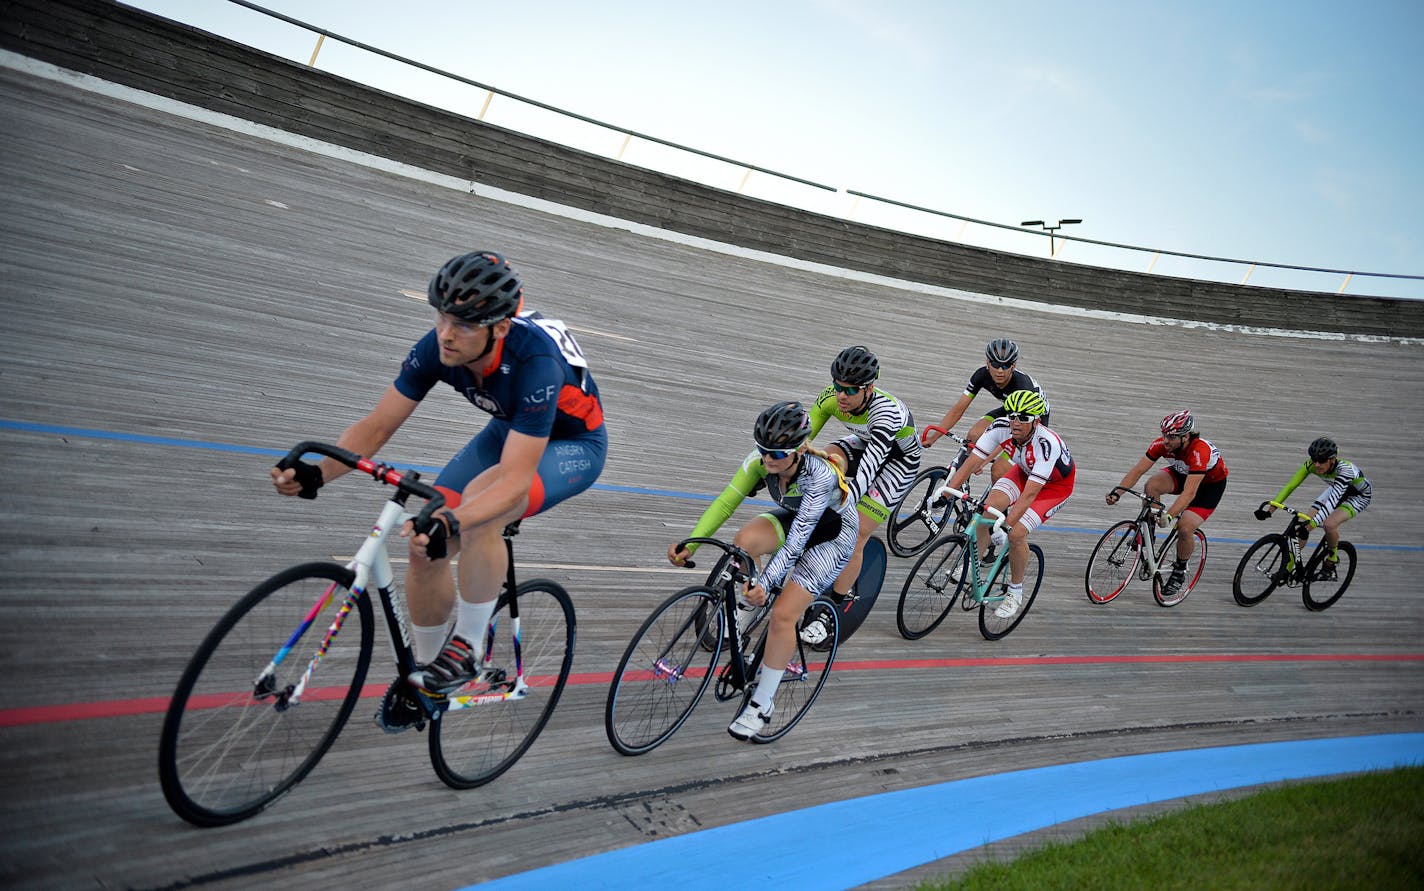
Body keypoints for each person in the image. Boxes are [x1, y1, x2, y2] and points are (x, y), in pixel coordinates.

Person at [271, 250, 607, 731]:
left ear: (500, 329)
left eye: (465, 325)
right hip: (509, 429)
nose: (447, 333)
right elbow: (378, 424)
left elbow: (513, 481)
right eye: (443, 317)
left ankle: (467, 650)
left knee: (483, 509)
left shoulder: (534, 364)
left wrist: (456, 518)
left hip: (573, 444)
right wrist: (317, 474)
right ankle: (425, 678)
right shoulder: (437, 348)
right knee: (423, 543)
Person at [667, 401, 858, 741]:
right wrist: (691, 544)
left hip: (832, 534)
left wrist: (767, 585)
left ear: (799, 449)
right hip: (800, 521)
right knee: (745, 540)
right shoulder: (761, 462)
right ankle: (741, 614)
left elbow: (799, 541)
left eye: (778, 453)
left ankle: (761, 704)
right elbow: (727, 502)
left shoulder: (820, 476)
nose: (769, 460)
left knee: (782, 616)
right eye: (764, 451)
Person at [797, 345, 921, 645]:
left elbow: (870, 468)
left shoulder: (886, 412)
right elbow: (803, 441)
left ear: (869, 389)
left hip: (897, 462)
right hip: (863, 442)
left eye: (850, 390)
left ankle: (833, 609)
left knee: (854, 534)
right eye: (838, 386)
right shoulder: (831, 398)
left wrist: (845, 500)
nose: (841, 395)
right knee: (822, 458)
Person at [941, 388, 1074, 618]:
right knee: (985, 511)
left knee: (1016, 533)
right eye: (1012, 415)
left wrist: (1007, 524)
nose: (1016, 422)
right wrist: (946, 492)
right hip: (1023, 473)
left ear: (1036, 421)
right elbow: (972, 462)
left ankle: (1015, 590)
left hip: (1053, 488)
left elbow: (1030, 496)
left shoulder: (1045, 444)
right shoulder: (1000, 427)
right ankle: (973, 565)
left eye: (1023, 418)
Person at [1105, 410, 1226, 600]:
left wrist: (1169, 515)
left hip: (1207, 487)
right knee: (1151, 485)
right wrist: (1117, 492)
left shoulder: (1199, 451)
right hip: (1182, 473)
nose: (1165, 440)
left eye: (1171, 437)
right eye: (1164, 435)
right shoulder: (1161, 445)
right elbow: (1138, 470)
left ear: (1186, 437)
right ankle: (1148, 533)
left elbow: (1189, 493)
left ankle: (1180, 569)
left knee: (1185, 527)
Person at [921, 337, 1050, 481]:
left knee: (998, 470)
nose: (1000, 370)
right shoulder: (981, 375)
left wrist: (984, 461)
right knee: (974, 434)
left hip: (1029, 419)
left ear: (1014, 365)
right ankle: (959, 482)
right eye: (995, 364)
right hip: (1011, 409)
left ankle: (998, 501)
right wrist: (934, 437)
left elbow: (1012, 433)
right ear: (987, 363)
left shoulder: (1022, 386)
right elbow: (958, 409)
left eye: (1006, 365)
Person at [1261, 437, 1371, 564]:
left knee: (1329, 524)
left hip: (1358, 496)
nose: (1317, 464)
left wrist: (1311, 525)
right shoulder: (1311, 465)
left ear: (1332, 459)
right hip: (1337, 488)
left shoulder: (1345, 471)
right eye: (1314, 460)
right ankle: (1287, 569)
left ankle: (1332, 559)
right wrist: (1271, 509)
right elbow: (1291, 486)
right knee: (1303, 525)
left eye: (1322, 460)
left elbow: (1331, 503)